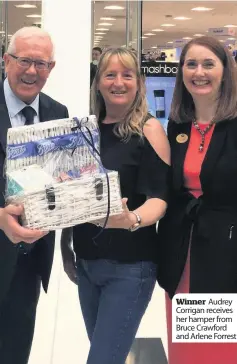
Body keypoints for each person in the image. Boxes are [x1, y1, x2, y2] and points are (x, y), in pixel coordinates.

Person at [61, 47, 170, 364]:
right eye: (110, 74)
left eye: (127, 74)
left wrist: (132, 218)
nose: (118, 82)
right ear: (97, 82)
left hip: (130, 267)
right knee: (106, 353)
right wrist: (67, 247)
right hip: (87, 264)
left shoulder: (148, 130)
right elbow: (73, 195)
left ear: (139, 82)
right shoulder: (85, 131)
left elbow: (160, 199)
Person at [157, 36, 237, 364]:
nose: (198, 72)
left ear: (225, 72)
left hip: (224, 255)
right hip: (180, 252)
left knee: (216, 347)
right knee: (186, 349)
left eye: (208, 64)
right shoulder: (177, 126)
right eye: (191, 64)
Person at [0, 26, 69, 364]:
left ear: (51, 68)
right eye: (23, 61)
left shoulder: (58, 113)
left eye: (40, 64)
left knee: (15, 350)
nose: (31, 71)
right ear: (5, 60)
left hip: (28, 261)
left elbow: (62, 182)